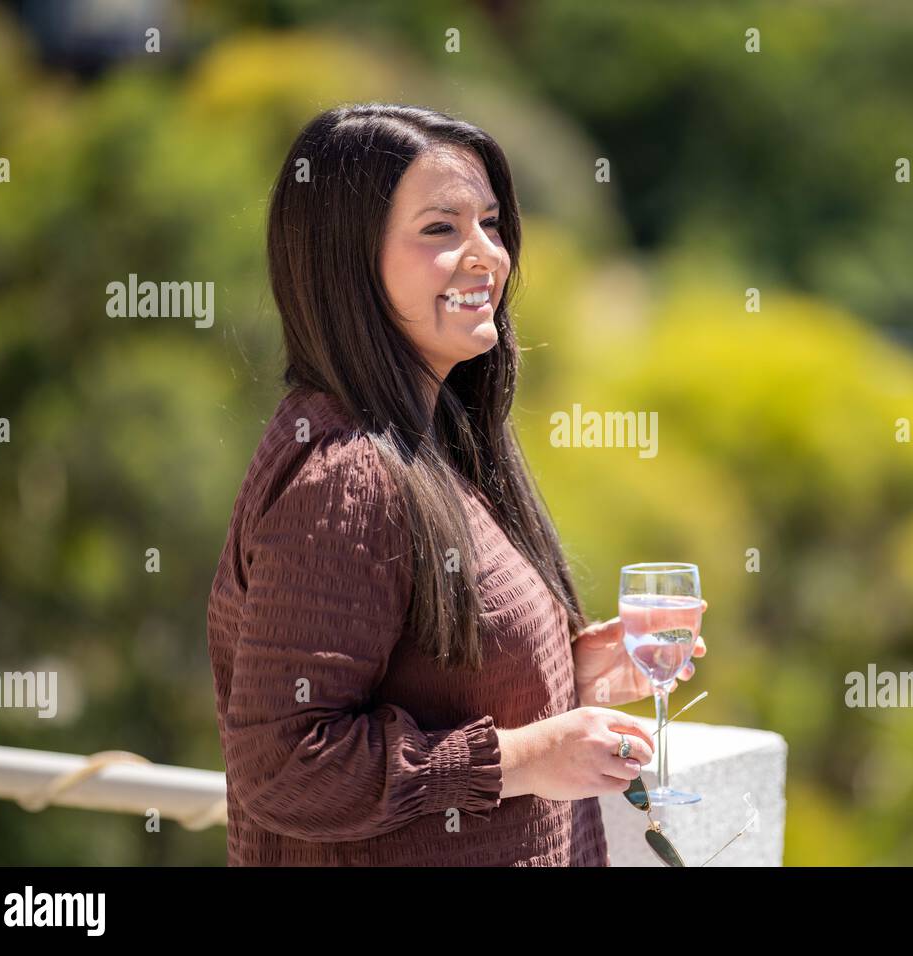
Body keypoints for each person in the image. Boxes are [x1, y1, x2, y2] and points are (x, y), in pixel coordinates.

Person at [206, 103, 706, 865]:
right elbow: (284, 768)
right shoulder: (346, 476)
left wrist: (562, 674)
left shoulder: (435, 439)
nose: (487, 258)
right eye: (440, 230)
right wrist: (522, 759)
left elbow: (424, 679)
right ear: (347, 262)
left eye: (492, 225)